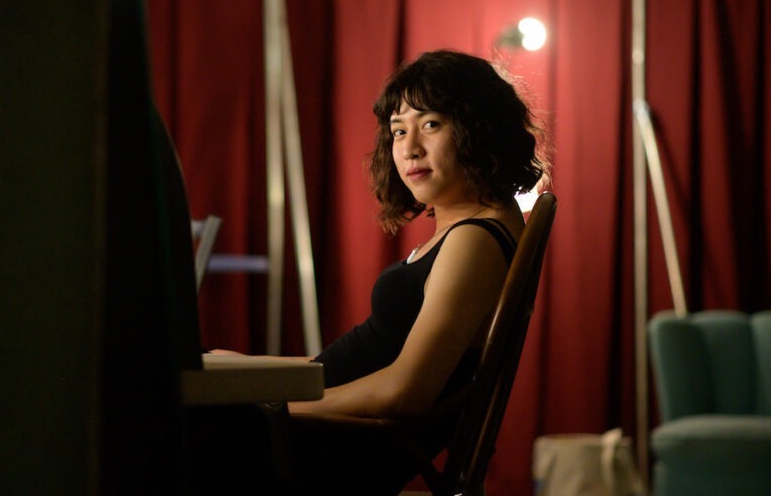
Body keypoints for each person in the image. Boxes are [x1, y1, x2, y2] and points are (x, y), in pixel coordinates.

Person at [204, 49, 546, 495]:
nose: (409, 148)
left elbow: (405, 392)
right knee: (206, 370)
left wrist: (272, 402)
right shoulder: (468, 227)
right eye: (397, 131)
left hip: (334, 447)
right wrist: (251, 372)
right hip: (328, 425)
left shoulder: (474, 239)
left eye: (430, 124)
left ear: (478, 127)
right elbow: (359, 358)